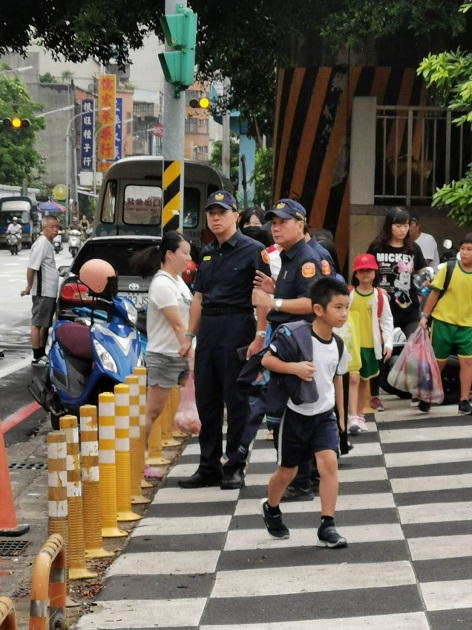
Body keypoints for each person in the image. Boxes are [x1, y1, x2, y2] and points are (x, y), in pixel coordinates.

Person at [178, 190, 271, 490]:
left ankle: (235, 465)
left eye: (222, 212)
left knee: (237, 398)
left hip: (238, 325)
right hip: (209, 329)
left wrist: (259, 335)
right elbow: (199, 297)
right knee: (207, 398)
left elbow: (263, 297)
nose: (216, 218)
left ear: (235, 216)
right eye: (211, 213)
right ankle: (208, 465)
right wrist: (190, 335)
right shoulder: (206, 252)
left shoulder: (254, 249)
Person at [251, 199, 337, 502]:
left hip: (300, 344)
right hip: (292, 340)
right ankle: (307, 476)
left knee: (288, 412)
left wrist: (271, 303)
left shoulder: (307, 258)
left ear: (300, 225)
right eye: (273, 223)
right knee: (295, 409)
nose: (276, 228)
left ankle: (300, 481)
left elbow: (313, 304)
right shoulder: (290, 256)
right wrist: (276, 292)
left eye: (283, 222)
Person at [259, 276, 349, 547]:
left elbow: (337, 379)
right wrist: (294, 368)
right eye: (338, 307)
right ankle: (271, 508)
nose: (344, 314)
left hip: (324, 415)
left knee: (328, 464)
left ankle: (327, 525)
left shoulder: (339, 344)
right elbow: (266, 359)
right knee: (287, 471)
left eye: (346, 307)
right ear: (319, 310)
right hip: (295, 414)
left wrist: (340, 417)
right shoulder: (296, 335)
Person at [131, 231, 193, 477]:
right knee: (153, 412)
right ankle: (136, 462)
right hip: (166, 356)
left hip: (181, 353)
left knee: (203, 402)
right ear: (169, 254)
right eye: (184, 253)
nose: (188, 258)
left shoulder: (178, 281)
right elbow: (178, 324)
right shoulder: (162, 283)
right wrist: (190, 353)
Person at [367, 207, 426, 411]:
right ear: (389, 225)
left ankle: (416, 391)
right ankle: (374, 395)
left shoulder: (413, 249)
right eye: (398, 225)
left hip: (409, 309)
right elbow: (366, 273)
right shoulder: (376, 247)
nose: (402, 229)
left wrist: (424, 283)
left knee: (415, 348)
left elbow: (420, 274)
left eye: (406, 225)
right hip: (382, 310)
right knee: (379, 352)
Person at [419, 232, 472, 414]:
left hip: (467, 326)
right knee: (438, 363)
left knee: (468, 363)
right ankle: (427, 395)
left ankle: (464, 401)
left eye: (469, 249)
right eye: (463, 248)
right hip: (443, 322)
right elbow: (434, 293)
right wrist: (425, 316)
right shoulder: (448, 269)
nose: (464, 252)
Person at [346, 254, 394, 435]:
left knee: (364, 381)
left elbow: (387, 322)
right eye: (361, 270)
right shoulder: (349, 293)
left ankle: (359, 414)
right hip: (352, 345)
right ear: (356, 274)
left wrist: (388, 343)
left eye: (369, 270)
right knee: (353, 378)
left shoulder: (380, 296)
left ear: (375, 273)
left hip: (371, 345)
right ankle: (352, 416)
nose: (365, 274)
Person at [23, 216, 60, 366]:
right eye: (52, 227)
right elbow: (31, 267)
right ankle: (37, 356)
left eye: (57, 227)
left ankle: (42, 353)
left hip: (49, 291)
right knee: (37, 323)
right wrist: (29, 286)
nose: (55, 230)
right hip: (42, 291)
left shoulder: (47, 244)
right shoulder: (41, 244)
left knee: (44, 324)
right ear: (43, 227)